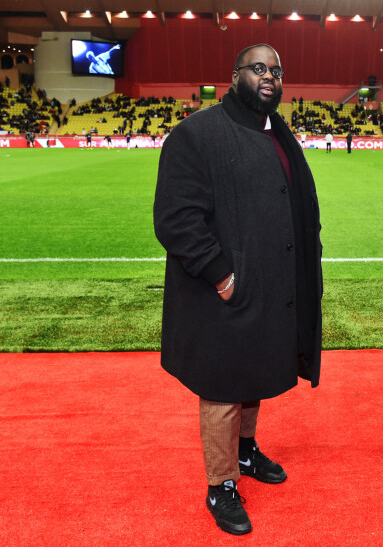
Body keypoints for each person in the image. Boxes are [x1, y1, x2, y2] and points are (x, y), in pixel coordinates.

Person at [153, 44, 323, 536]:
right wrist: (221, 275)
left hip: (272, 283)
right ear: (234, 76)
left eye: (277, 70)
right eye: (258, 68)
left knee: (255, 370)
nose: (269, 76)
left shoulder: (277, 132)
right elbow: (176, 219)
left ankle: (245, 453)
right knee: (224, 385)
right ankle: (220, 484)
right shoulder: (197, 134)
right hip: (223, 289)